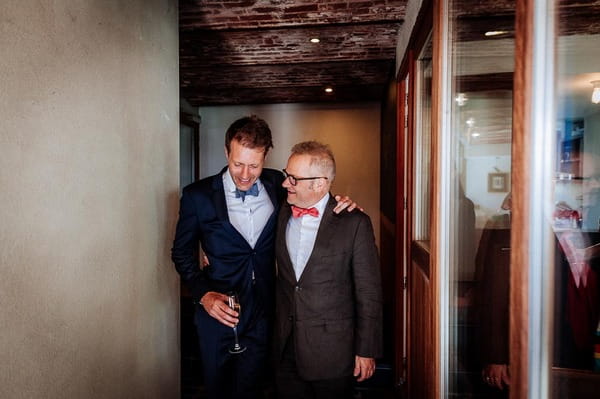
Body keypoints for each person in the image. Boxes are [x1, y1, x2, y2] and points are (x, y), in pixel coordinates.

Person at [171, 116, 356, 399]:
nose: (245, 174)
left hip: (264, 312)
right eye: (238, 164)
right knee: (216, 388)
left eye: (254, 165)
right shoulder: (198, 196)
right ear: (226, 152)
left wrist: (340, 203)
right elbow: (181, 252)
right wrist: (203, 294)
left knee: (253, 387)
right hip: (218, 311)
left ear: (265, 157)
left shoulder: (277, 185)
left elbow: (314, 194)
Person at [273, 141, 383, 399]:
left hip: (332, 353)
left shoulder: (355, 223)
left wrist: (367, 350)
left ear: (320, 184)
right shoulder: (282, 210)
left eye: (293, 179)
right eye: (285, 175)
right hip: (285, 347)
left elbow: (369, 291)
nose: (285, 183)